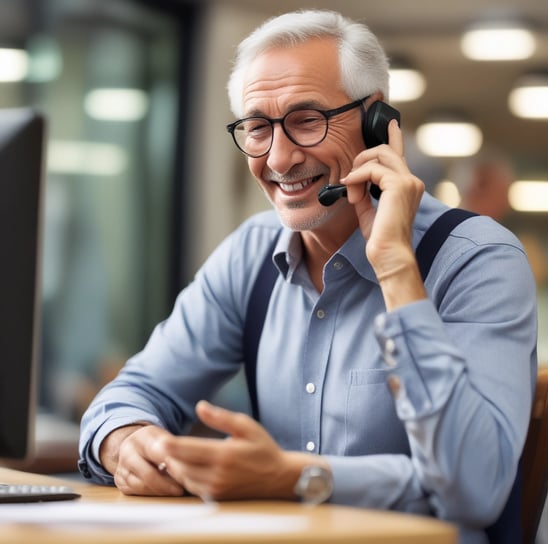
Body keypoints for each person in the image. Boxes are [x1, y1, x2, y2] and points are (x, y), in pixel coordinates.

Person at [79, 10, 538, 544]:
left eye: (306, 119)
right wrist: (126, 441)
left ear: (378, 124)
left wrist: (394, 265)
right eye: (257, 127)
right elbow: (133, 392)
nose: (278, 157)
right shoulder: (251, 254)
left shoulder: (477, 259)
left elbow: (474, 487)